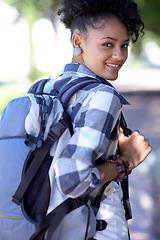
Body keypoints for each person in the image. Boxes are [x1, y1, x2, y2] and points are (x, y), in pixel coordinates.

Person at [41, 0, 152, 239]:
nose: (119, 55)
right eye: (108, 44)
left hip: (45, 224)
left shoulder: (44, 87)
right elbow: (72, 179)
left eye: (124, 45)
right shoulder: (103, 96)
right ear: (77, 42)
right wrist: (127, 161)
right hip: (93, 228)